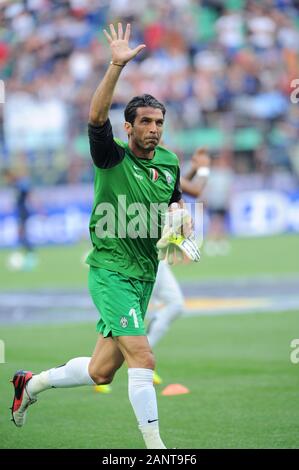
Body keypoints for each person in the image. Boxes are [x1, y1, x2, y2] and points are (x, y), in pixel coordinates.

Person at [11, 23, 187, 450]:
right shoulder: (110, 156)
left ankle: (30, 384)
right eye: (145, 122)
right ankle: (157, 450)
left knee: (101, 372)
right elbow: (94, 118)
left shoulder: (169, 161)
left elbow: (175, 202)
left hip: (145, 273)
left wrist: (182, 223)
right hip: (110, 271)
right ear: (128, 128)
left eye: (159, 122)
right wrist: (115, 66)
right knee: (143, 357)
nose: (154, 129)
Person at [147, 149, 211, 385]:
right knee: (127, 319)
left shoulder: (160, 159)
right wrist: (203, 168)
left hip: (159, 252)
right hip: (147, 253)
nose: (156, 133)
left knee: (175, 304)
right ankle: (101, 373)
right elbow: (192, 189)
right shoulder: (150, 161)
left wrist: (193, 170)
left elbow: (176, 182)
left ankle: (141, 358)